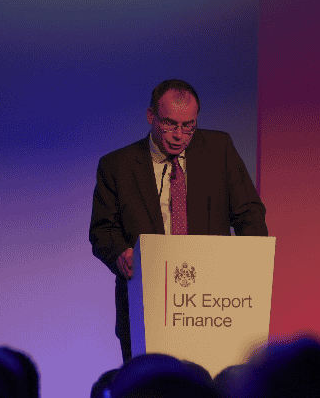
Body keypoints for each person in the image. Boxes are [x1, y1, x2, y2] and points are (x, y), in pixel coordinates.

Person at [89, 79, 270, 361]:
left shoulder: (219, 149)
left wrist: (252, 264)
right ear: (151, 117)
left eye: (189, 125)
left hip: (214, 304)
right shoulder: (117, 166)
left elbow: (249, 213)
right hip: (147, 303)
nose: (179, 135)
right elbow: (102, 230)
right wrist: (120, 254)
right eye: (170, 124)